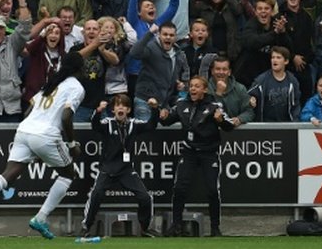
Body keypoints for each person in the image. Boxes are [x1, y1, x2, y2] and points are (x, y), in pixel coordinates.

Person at [0, 52, 86, 239]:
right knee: (69, 174)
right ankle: (41, 218)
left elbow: (29, 109)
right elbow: (67, 115)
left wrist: (32, 141)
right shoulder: (76, 87)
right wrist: (71, 143)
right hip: (46, 134)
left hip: (25, 130)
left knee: (7, 175)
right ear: (80, 68)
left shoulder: (51, 82)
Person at [79, 94, 161, 240]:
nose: (120, 108)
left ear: (129, 110)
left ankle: (145, 228)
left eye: (124, 105)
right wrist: (98, 112)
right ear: (113, 109)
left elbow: (151, 126)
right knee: (96, 194)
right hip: (107, 169)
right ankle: (86, 227)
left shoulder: (133, 124)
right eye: (117, 105)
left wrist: (154, 109)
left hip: (126, 170)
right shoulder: (107, 123)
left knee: (145, 197)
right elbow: (95, 126)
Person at [161, 75, 234, 236]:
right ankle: (176, 225)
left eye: (197, 86)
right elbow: (166, 121)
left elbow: (229, 126)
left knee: (212, 190)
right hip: (189, 152)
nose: (192, 89)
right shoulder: (181, 104)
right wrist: (161, 113)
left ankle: (215, 228)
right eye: (191, 86)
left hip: (209, 152)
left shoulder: (215, 105)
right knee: (179, 188)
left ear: (205, 89)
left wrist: (221, 121)